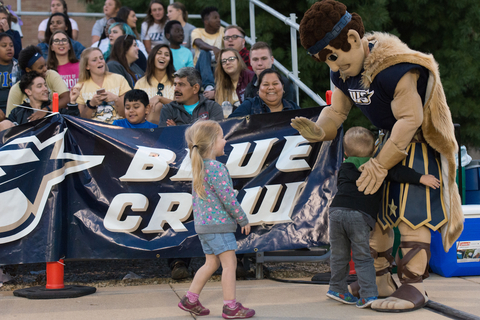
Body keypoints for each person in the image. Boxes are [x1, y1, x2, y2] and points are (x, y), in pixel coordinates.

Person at [292, 0, 462, 312]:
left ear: (354, 40)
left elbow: (410, 120)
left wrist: (382, 164)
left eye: (335, 58)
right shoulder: (343, 71)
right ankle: (380, 281)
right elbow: (337, 111)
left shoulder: (396, 69)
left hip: (418, 144)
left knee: (413, 214)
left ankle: (414, 286)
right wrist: (319, 131)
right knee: (377, 216)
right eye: (326, 61)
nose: (333, 68)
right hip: (386, 144)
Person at [327, 126, 441, 309]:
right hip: (358, 215)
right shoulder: (377, 164)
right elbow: (397, 173)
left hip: (336, 212)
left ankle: (336, 289)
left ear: (345, 152)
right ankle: (369, 295)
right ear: (374, 149)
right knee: (363, 257)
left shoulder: (345, 166)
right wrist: (420, 178)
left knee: (339, 254)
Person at [178, 119, 255, 319]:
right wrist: (243, 219)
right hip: (219, 226)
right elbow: (228, 199)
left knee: (210, 264)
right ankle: (230, 307)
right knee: (230, 265)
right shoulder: (217, 168)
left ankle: (190, 299)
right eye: (221, 137)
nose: (225, 140)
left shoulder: (200, 167)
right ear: (212, 143)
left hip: (204, 226)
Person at [6, 45, 69, 118]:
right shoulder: (16, 89)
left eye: (45, 65)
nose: (45, 69)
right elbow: (10, 119)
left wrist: (46, 110)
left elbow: (66, 98)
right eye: (40, 67)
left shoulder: (51, 74)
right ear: (28, 70)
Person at [70, 47, 130, 123]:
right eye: (94, 60)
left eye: (101, 58)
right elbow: (82, 121)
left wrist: (116, 99)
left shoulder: (119, 79)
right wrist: (91, 104)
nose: (99, 61)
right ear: (87, 66)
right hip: (94, 131)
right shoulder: (80, 86)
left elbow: (127, 115)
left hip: (117, 129)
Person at [159, 67, 223, 127]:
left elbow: (215, 136)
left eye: (181, 84)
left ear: (195, 88)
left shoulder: (213, 107)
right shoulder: (168, 109)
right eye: (175, 84)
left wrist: (177, 129)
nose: (176, 89)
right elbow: (165, 137)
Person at [229, 69, 299, 118]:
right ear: (258, 89)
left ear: (282, 87)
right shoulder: (249, 106)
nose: (271, 87)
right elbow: (229, 126)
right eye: (266, 84)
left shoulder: (293, 107)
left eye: (275, 83)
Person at [134, 44, 175, 125]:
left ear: (170, 60)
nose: (163, 56)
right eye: (159, 53)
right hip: (144, 126)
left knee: (158, 105)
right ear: (152, 57)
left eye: (166, 55)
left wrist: (160, 98)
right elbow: (134, 107)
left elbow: (182, 106)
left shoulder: (177, 81)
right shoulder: (141, 83)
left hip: (171, 125)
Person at [191, 6, 224, 92]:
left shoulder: (223, 31)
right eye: (215, 18)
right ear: (206, 21)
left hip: (217, 68)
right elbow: (199, 43)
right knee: (204, 52)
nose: (218, 20)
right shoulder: (197, 31)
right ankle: (209, 86)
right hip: (200, 71)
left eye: (219, 18)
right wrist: (213, 48)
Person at [0, 33, 19, 121]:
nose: (9, 48)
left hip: (16, 110)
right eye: (4, 45)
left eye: (11, 45)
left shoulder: (19, 66)